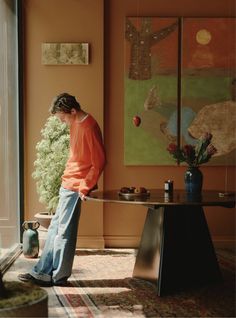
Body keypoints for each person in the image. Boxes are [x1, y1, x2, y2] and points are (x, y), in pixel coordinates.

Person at [18, 93, 106, 286]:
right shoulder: (75, 123)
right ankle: (43, 272)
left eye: (63, 117)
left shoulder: (89, 126)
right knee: (55, 230)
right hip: (68, 182)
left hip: (76, 186)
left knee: (65, 233)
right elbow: (77, 156)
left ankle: (59, 277)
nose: (63, 122)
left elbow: (99, 161)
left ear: (73, 111)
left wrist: (85, 186)